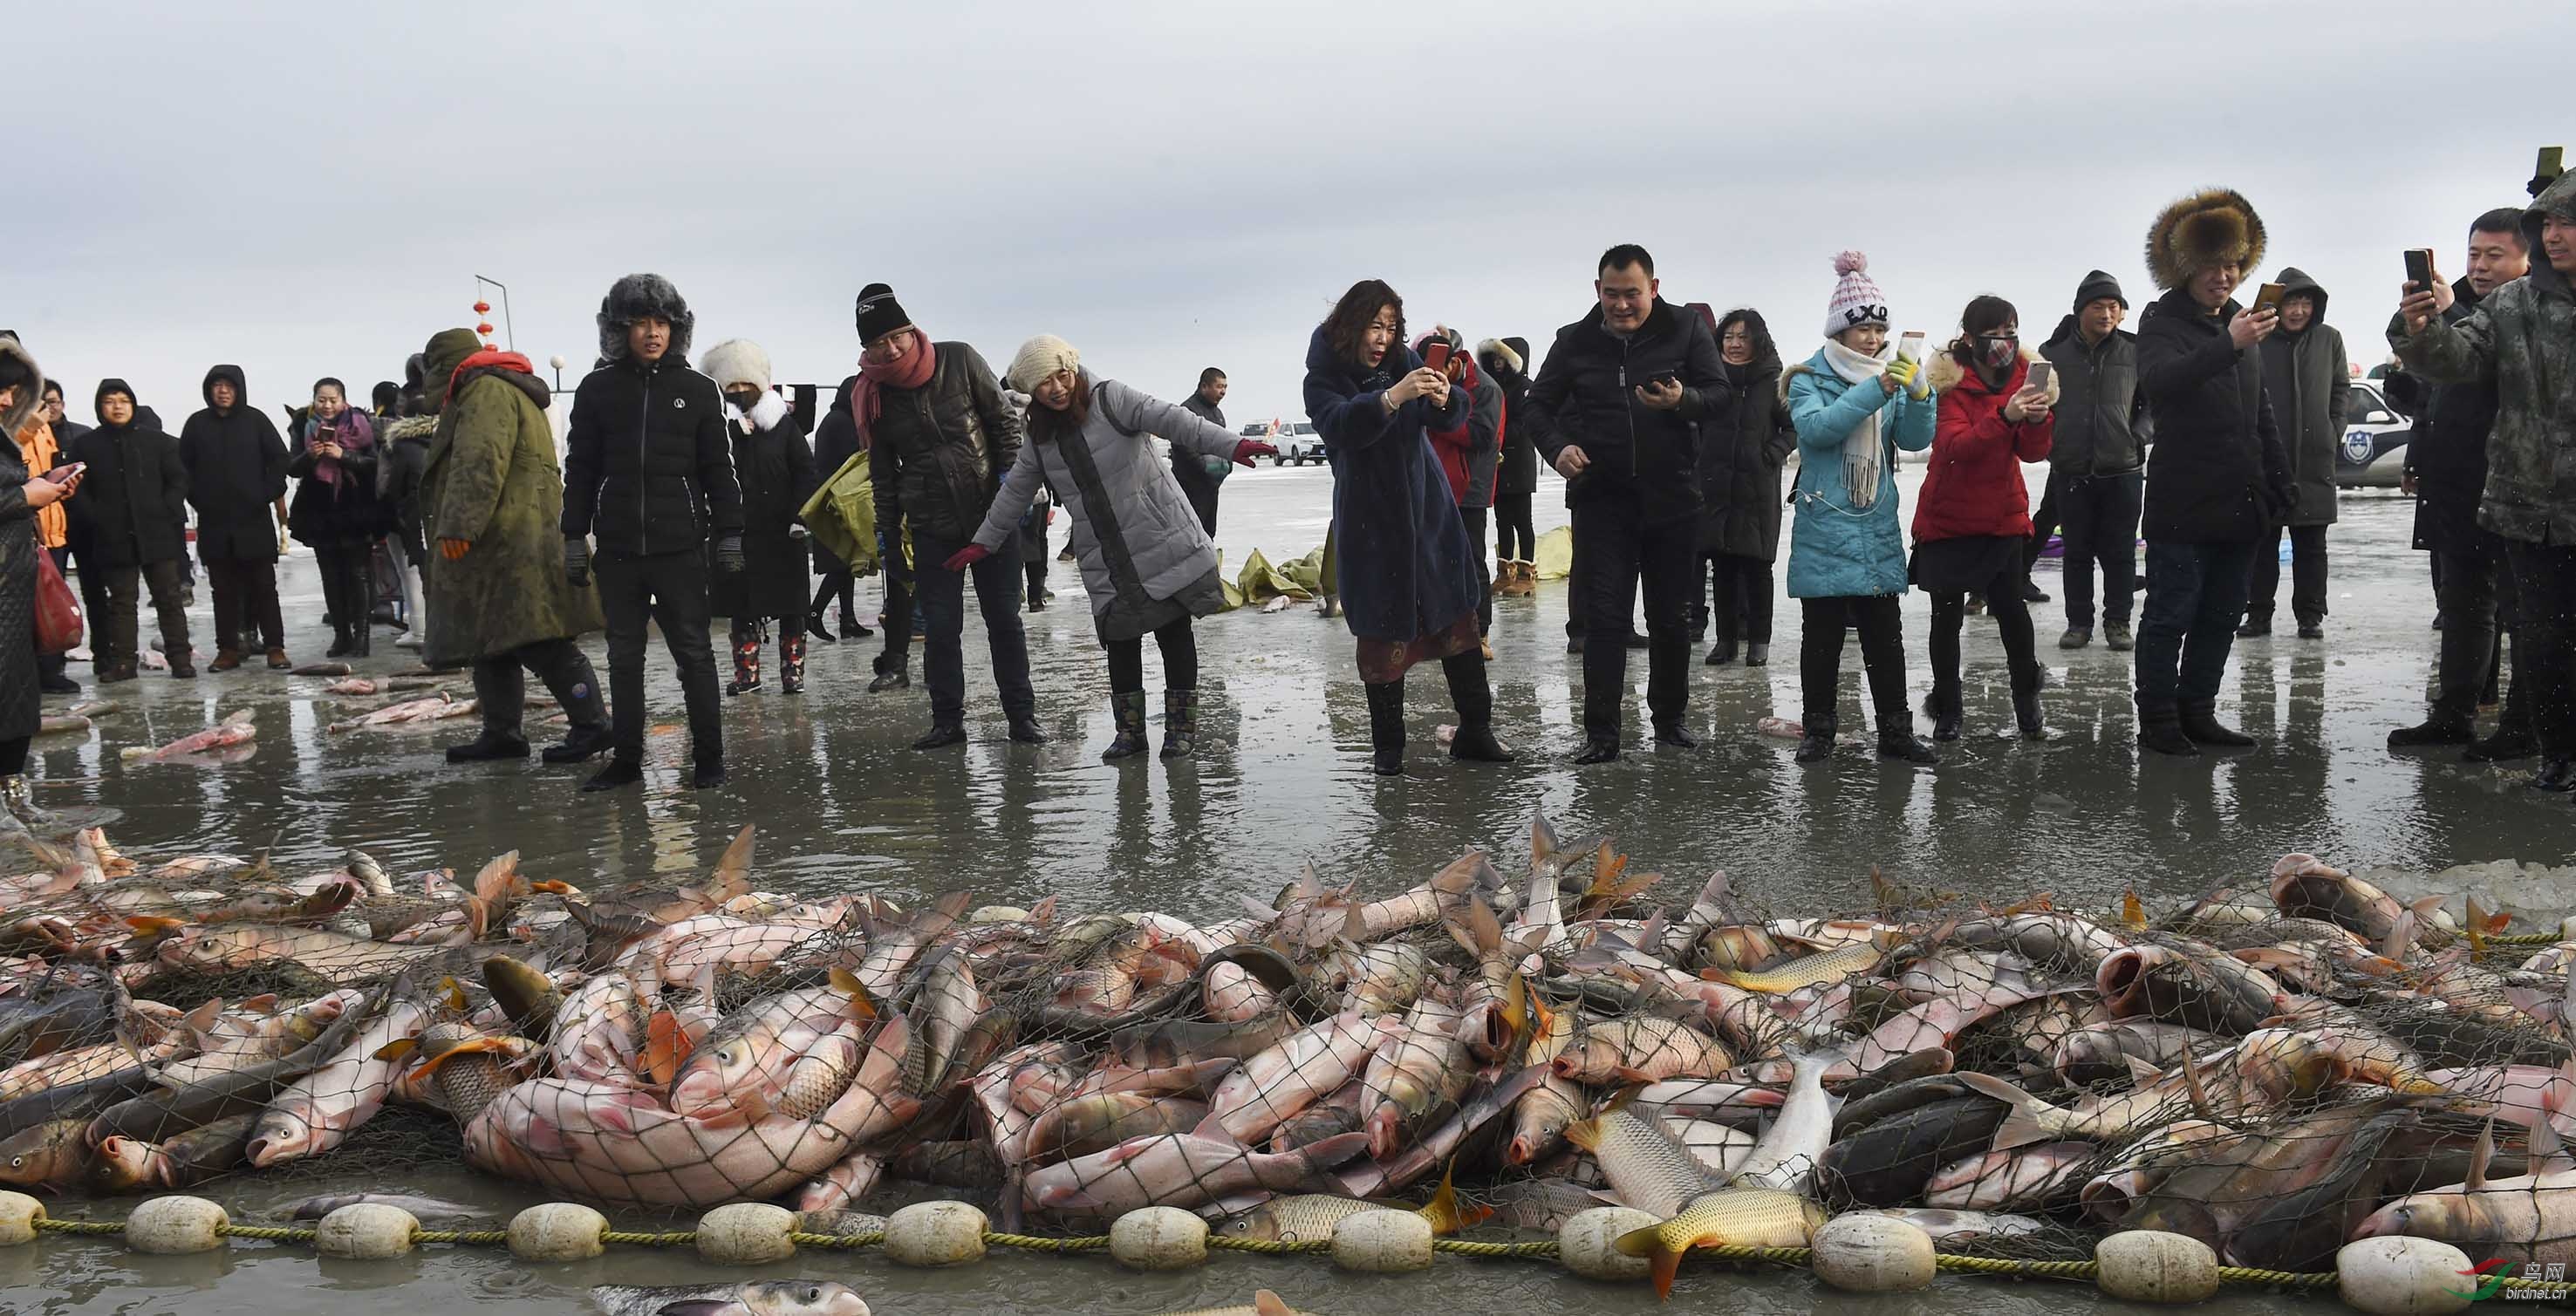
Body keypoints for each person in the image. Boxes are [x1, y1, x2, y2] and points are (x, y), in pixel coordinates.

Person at [951, 336, 1271, 761]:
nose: (1057, 388)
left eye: (1062, 375)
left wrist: (1232, 444)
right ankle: (1130, 734)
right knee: (1120, 642)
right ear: (1032, 390)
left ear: (1072, 368)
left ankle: (1180, 731)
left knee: (1174, 634)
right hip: (1105, 554)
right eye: (1044, 383)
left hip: (1158, 537)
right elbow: (1015, 494)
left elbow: (1175, 421)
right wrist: (983, 542)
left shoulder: (1111, 399)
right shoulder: (1040, 436)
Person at [2398, 174, 2576, 794]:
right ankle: (2556, 755)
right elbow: (2454, 361)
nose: (2554, 236)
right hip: (2527, 503)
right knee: (2543, 638)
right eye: (2546, 224)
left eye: (2566, 224)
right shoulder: (2512, 304)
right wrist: (2423, 328)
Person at [1520, 244, 1725, 762]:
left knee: (1670, 617)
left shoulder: (1684, 329)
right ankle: (1603, 734)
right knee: (1605, 619)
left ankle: (1670, 721)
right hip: (1601, 498)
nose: (1622, 305)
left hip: (1673, 496)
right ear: (1598, 291)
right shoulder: (1574, 341)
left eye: (1632, 294)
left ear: (1653, 288)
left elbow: (1721, 395)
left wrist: (1684, 402)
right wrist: (1558, 448)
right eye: (1611, 294)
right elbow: (1536, 408)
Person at [1303, 279, 1513, 774]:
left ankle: (1476, 730)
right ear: (1350, 326)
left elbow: (1453, 417)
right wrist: (1391, 399)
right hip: (1370, 519)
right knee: (1382, 630)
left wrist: (1443, 397)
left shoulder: (1404, 360)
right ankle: (1388, 748)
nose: (1383, 338)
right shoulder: (1324, 376)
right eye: (1375, 326)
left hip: (1429, 511)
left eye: (1392, 327)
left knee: (1457, 620)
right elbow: (1338, 426)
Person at [563, 276, 741, 791]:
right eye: (640, 322)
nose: (651, 333)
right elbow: (580, 468)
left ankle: (709, 760)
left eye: (661, 322)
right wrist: (575, 536)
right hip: (618, 548)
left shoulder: (698, 390)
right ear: (620, 330)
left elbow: (719, 470)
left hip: (681, 546)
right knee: (623, 656)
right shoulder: (596, 390)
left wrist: (730, 532)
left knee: (694, 653)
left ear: (676, 329)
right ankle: (627, 762)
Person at [2133, 188, 2292, 756]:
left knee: (2222, 614)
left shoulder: (2240, 325)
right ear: (2184, 270)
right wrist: (2227, 344)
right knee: (2169, 613)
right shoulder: (2159, 322)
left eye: (2230, 265)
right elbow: (2161, 383)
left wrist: (2280, 478)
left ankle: (2196, 710)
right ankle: (2156, 718)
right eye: (2209, 266)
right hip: (2182, 500)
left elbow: (2260, 411)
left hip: (2239, 498)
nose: (2221, 277)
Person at [853, 282, 1041, 747]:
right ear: (868, 349)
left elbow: (1004, 425)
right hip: (932, 525)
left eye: (897, 334)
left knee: (1005, 621)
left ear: (911, 328)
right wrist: (887, 538)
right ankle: (947, 722)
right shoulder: (874, 393)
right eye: (879, 342)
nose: (892, 347)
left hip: (991, 519)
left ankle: (1021, 718)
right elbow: (882, 474)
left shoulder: (958, 359)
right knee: (940, 629)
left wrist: (1008, 494)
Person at [417, 327, 613, 771]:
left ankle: (593, 722)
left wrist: (459, 525)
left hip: (509, 539)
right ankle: (501, 732)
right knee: (492, 640)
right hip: (509, 535)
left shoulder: (485, 391)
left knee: (541, 638)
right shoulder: (497, 387)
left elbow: (480, 459)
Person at [1782, 250, 1940, 765]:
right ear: (1838, 332)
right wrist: (1880, 388)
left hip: (1874, 523)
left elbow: (1917, 439)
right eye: (1862, 329)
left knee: (1884, 636)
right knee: (1822, 637)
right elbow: (1817, 430)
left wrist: (1919, 395)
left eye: (1879, 328)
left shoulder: (1890, 379)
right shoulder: (1808, 377)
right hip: (1826, 521)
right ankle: (1819, 732)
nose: (1873, 339)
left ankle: (1896, 732)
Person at [2387, 208, 2533, 756]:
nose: (2481, 266)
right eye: (2474, 254)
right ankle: (2454, 714)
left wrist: (2458, 310)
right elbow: (2428, 385)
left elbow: (2506, 368)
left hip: (2519, 484)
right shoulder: (2463, 307)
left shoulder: (2536, 310)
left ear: (2527, 257)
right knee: (2463, 605)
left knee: (2526, 614)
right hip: (2456, 482)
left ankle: (2525, 724)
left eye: (2496, 255)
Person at [1916, 297, 2059, 741]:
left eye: (2012, 329)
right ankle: (1948, 708)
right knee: (1946, 617)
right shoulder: (1947, 382)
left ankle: (2026, 700)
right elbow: (1956, 447)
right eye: (1996, 331)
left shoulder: (2025, 377)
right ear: (1971, 336)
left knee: (2012, 613)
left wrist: (2036, 421)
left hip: (2002, 517)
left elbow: (2033, 453)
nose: (2006, 340)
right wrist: (2004, 415)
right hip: (1948, 518)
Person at [2038, 270, 2151, 651]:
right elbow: (2040, 404)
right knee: (2078, 553)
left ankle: (2118, 622)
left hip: (2122, 468)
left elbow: (2154, 403)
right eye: (2098, 307)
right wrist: (2054, 441)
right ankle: (2078, 624)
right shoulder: (2052, 354)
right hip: (2071, 468)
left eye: (2114, 307)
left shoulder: (2135, 351)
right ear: (2080, 310)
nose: (2106, 314)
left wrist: (2139, 434)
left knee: (2120, 552)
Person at [0, 339, 85, 831]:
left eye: (13, 391)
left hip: (13, 591)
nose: (8, 402)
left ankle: (13, 797)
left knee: (15, 701)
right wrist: (21, 497)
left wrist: (41, 488)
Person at [700, 338, 816, 697]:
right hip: (737, 533)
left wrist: (801, 517)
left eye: (745, 384)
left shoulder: (784, 426)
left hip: (783, 532)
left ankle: (792, 673)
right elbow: (707, 470)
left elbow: (805, 473)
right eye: (731, 386)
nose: (738, 392)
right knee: (741, 606)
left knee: (792, 607)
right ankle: (747, 674)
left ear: (760, 384)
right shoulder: (717, 427)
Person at [2238, 268, 2349, 640]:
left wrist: (2333, 430)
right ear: (2277, 306)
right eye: (2292, 303)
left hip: (2316, 458)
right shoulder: (2258, 340)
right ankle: (2258, 614)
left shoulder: (2329, 339)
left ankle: (2310, 615)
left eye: (2305, 303)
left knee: (2312, 546)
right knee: (2262, 544)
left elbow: (2340, 389)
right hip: (2267, 459)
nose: (2299, 311)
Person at [65, 380, 193, 681]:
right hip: (113, 537)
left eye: (124, 400)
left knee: (169, 599)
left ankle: (180, 659)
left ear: (133, 405)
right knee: (122, 603)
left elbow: (179, 480)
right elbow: (76, 489)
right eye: (110, 401)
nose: (118, 406)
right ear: (100, 407)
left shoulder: (159, 442)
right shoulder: (86, 446)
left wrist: (166, 509)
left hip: (157, 534)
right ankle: (124, 662)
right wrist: (96, 517)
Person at [1694, 309, 1797, 667]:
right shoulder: (1710, 381)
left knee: (1756, 568)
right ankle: (1725, 641)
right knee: (1721, 567)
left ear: (1758, 340)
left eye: (1743, 337)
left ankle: (1759, 641)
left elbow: (1792, 428)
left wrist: (1771, 455)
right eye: (1729, 337)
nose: (1735, 344)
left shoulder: (1773, 382)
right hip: (1716, 486)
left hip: (1757, 488)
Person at [178, 364, 290, 671]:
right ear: (208, 389)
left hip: (253, 520)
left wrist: (265, 493)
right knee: (223, 592)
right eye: (217, 385)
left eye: (229, 385)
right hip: (215, 523)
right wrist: (198, 498)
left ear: (239, 389)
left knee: (264, 588)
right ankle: (227, 649)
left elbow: (280, 460)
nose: (223, 391)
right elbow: (182, 468)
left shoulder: (256, 420)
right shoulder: (197, 424)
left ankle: (275, 647)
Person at [285, 378, 384, 658]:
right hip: (319, 507)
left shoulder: (361, 424)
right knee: (330, 575)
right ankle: (341, 635)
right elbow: (292, 468)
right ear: (314, 400)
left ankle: (362, 636)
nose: (327, 406)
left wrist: (345, 456)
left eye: (333, 400)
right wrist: (310, 456)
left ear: (343, 401)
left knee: (359, 573)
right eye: (321, 400)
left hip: (356, 505)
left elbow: (376, 465)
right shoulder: (303, 425)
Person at [1421, 327, 1500, 651]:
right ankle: (1439, 629)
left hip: (1470, 488)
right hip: (1435, 484)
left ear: (1453, 363)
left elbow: (1482, 436)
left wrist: (1443, 411)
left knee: (1471, 559)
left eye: (1439, 367)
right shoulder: (1433, 383)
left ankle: (1479, 632)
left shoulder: (1485, 389)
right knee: (1434, 560)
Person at [13, 374, 73, 694]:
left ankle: (51, 671)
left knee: (51, 603)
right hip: (19, 526)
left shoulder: (46, 429)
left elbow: (32, 476)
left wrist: (54, 481)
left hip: (50, 527)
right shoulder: (15, 428)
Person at [805, 375, 872, 645]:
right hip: (839, 502)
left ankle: (848, 620)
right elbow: (853, 462)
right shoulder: (843, 423)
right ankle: (814, 612)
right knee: (843, 563)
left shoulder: (833, 420)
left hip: (831, 499)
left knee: (846, 563)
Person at [1479, 337, 1539, 597]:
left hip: (1519, 462)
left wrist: (1496, 437)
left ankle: (1527, 574)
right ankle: (1505, 573)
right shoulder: (1495, 387)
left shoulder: (1525, 388)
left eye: (1503, 358)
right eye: (1496, 358)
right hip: (1499, 463)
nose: (1498, 363)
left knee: (1522, 521)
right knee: (1502, 520)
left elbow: (1523, 423)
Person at [379, 393, 435, 651]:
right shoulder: (451, 437)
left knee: (410, 573)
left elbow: (390, 485)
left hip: (412, 517)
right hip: (445, 514)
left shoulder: (400, 444)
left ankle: (420, 629)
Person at [1173, 367, 1230, 536]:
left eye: (1225, 387)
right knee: (1191, 534)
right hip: (1191, 485)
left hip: (1211, 486)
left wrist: (1227, 466)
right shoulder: (1187, 411)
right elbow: (1181, 445)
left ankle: (1209, 562)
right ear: (1204, 387)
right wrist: (1204, 467)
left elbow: (1224, 443)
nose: (1223, 392)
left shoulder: (1218, 414)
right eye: (1219, 386)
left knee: (1208, 533)